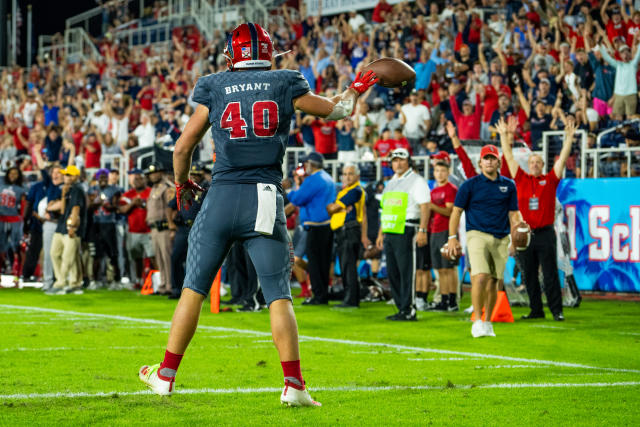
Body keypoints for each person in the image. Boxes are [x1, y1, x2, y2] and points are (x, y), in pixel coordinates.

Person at [138, 22, 378, 406]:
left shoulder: (214, 85)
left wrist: (182, 184)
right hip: (265, 196)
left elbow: (182, 149)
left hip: (221, 195)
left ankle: (165, 375)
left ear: (231, 57)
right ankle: (294, 385)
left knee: (193, 289)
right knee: (278, 294)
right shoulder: (285, 81)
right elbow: (339, 111)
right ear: (268, 54)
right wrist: (359, 86)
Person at [496, 116, 576, 321]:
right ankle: (536, 310)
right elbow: (508, 156)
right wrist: (506, 136)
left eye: (537, 162)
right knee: (528, 274)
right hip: (525, 234)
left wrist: (569, 138)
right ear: (528, 164)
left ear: (542, 165)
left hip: (545, 233)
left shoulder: (549, 180)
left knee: (549, 274)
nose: (534, 164)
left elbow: (562, 160)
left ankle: (557, 311)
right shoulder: (521, 179)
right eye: (531, 162)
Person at [446, 144, 524, 338]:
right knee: (480, 276)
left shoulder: (508, 185)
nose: (489, 161)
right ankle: (478, 320)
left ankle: (488, 321)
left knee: (495, 282)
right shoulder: (469, 185)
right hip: (477, 234)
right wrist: (452, 238)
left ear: (498, 162)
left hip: (501, 236)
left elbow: (513, 213)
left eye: (493, 158)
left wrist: (519, 228)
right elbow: (456, 212)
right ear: (480, 162)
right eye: (486, 158)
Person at [375, 148, 431, 321]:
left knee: (407, 271)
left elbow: (425, 206)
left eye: (401, 160)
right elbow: (385, 209)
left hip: (407, 229)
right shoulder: (391, 182)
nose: (397, 163)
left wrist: (422, 230)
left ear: (408, 162)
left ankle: (409, 308)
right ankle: (401, 307)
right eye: (394, 160)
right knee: (393, 272)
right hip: (391, 230)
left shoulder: (416, 181)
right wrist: (380, 233)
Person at [288, 152, 336, 305]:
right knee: (324, 262)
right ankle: (323, 294)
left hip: (315, 227)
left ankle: (319, 296)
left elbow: (297, 199)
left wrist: (292, 189)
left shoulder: (314, 179)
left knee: (315, 263)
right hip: (328, 225)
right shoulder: (328, 178)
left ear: (310, 164)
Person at [168, 164, 208, 300]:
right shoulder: (184, 188)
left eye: (197, 175)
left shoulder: (207, 188)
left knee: (197, 261)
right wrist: (170, 223)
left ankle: (196, 291)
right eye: (192, 174)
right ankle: (176, 289)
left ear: (201, 175)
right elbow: (170, 206)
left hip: (200, 228)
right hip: (183, 228)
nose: (194, 177)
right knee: (175, 258)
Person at [327, 164, 365, 308]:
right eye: (345, 173)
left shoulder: (355, 190)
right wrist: (335, 208)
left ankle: (351, 300)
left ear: (357, 176)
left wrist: (335, 207)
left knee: (348, 266)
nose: (347, 176)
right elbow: (330, 209)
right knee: (345, 266)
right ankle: (348, 297)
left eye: (350, 173)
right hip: (343, 231)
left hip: (349, 230)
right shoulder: (345, 191)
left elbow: (333, 208)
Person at [48, 165, 86, 295]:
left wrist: (72, 227)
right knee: (55, 253)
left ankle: (61, 282)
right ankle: (74, 283)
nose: (66, 177)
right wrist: (63, 195)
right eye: (65, 175)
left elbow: (76, 209)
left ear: (75, 176)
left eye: (69, 175)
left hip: (70, 227)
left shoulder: (77, 189)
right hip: (61, 225)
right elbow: (63, 211)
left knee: (67, 257)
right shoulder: (68, 190)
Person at [427, 158, 459, 312]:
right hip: (434, 231)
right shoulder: (433, 191)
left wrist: (432, 206)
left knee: (448, 268)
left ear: (448, 172)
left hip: (446, 231)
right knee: (440, 269)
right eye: (437, 171)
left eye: (443, 171)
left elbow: (450, 211)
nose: (439, 174)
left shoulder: (450, 189)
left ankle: (452, 301)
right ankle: (444, 300)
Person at [144, 161, 176, 295]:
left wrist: (172, 227)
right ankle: (162, 284)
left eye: (154, 172)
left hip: (164, 228)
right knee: (159, 258)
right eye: (150, 174)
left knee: (166, 257)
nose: (152, 176)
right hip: (154, 228)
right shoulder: (154, 188)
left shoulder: (167, 187)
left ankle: (170, 285)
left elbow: (172, 208)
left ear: (161, 172)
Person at [119, 168, 154, 289]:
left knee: (152, 256)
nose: (138, 181)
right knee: (137, 258)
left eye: (140, 179)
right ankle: (139, 280)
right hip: (133, 230)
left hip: (149, 229)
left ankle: (152, 280)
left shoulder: (151, 191)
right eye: (136, 179)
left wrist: (144, 204)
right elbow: (122, 209)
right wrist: (133, 203)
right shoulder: (128, 194)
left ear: (145, 180)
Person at [0, 166, 27, 275]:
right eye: (11, 173)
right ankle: (2, 271)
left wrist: (22, 219)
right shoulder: (1, 184)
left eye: (15, 173)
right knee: (1, 246)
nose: (13, 175)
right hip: (1, 218)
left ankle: (17, 272)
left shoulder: (21, 189)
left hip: (14, 219)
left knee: (17, 246)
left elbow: (24, 205)